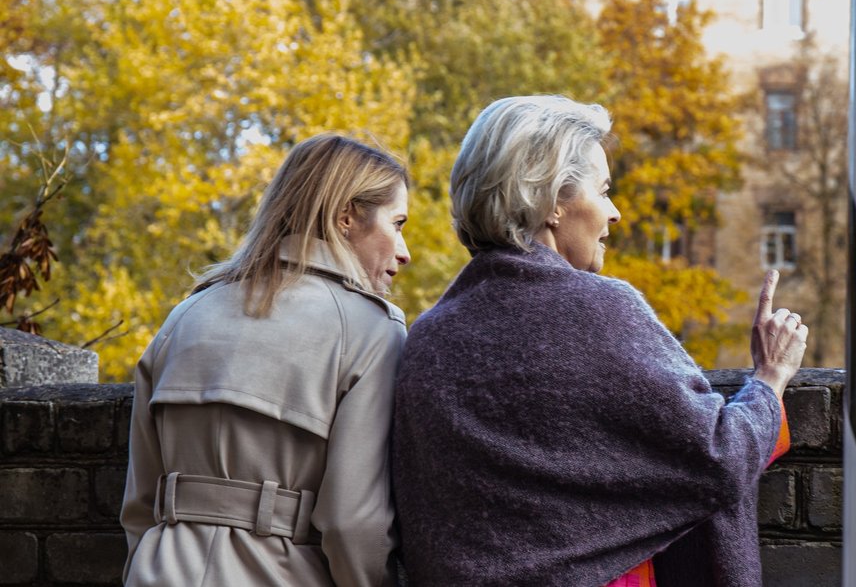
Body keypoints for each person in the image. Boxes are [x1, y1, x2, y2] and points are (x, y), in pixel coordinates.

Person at [392, 95, 807, 586]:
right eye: (603, 190)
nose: (614, 214)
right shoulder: (602, 312)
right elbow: (719, 457)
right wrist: (769, 378)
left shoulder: (427, 339)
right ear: (549, 202)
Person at [121, 133, 411, 586]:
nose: (403, 251)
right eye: (397, 223)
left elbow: (140, 502)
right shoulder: (371, 329)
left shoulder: (186, 314)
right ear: (346, 218)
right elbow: (353, 523)